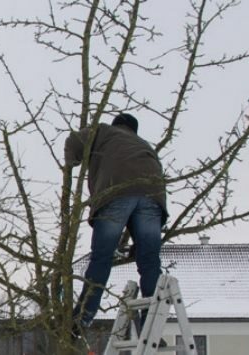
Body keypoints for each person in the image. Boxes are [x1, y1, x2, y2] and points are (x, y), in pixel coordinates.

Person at [63, 113, 168, 334]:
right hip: (152, 197)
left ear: (116, 125)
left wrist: (72, 161)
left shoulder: (104, 131)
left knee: (102, 257)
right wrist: (141, 242)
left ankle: (82, 318)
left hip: (116, 193)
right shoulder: (144, 146)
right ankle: (151, 326)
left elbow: (74, 139)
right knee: (150, 262)